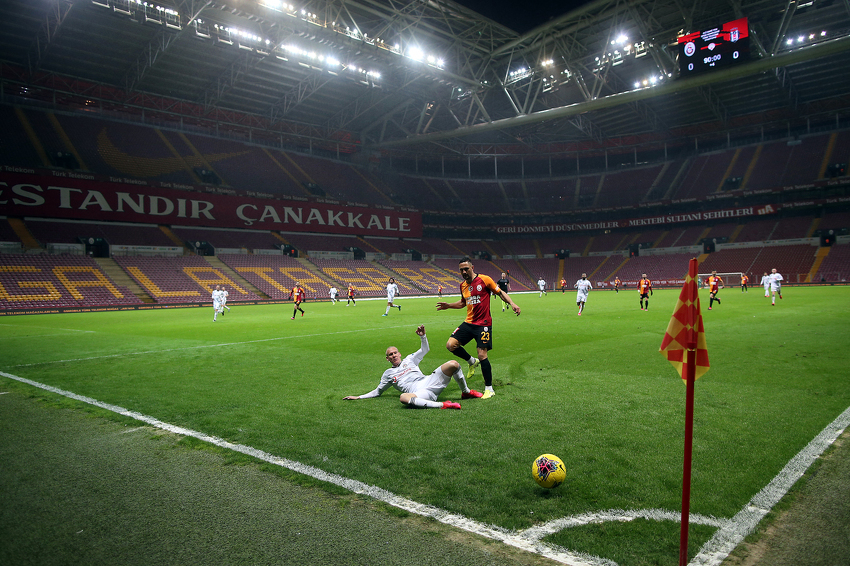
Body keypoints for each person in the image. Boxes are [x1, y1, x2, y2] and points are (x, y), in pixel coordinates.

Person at [436, 257, 521, 399]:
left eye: (466, 269)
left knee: (482, 354)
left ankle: (489, 388)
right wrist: (449, 305)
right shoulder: (462, 285)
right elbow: (463, 303)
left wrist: (512, 303)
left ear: (472, 267)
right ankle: (471, 361)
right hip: (469, 323)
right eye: (461, 270)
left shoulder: (484, 279)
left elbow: (500, 293)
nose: (463, 272)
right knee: (451, 345)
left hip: (484, 324)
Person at [342, 325, 482, 409]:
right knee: (403, 398)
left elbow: (425, 350)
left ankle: (466, 392)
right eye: (390, 355)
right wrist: (359, 397)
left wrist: (423, 337)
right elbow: (377, 392)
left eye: (395, 352)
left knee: (454, 364)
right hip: (420, 393)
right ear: (387, 358)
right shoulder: (388, 374)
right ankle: (443, 405)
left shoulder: (409, 359)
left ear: (399, 354)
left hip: (429, 381)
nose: (393, 355)